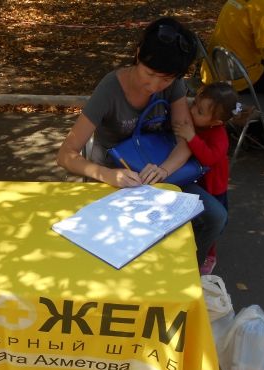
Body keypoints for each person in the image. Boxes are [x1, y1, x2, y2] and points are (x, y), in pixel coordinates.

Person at [57, 17, 227, 268]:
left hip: (157, 172)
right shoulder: (110, 89)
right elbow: (65, 155)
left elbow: (185, 139)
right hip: (115, 176)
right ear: (138, 54)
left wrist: (164, 170)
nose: (154, 85)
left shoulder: (174, 84)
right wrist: (107, 174)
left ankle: (189, 272)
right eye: (150, 74)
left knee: (215, 216)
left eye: (165, 79)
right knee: (125, 247)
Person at [173, 82, 239, 274]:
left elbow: (208, 157)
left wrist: (191, 137)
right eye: (194, 104)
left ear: (216, 122)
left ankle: (210, 255)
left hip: (213, 186)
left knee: (213, 222)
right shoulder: (201, 122)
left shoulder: (219, 135)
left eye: (200, 111)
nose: (193, 111)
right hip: (197, 178)